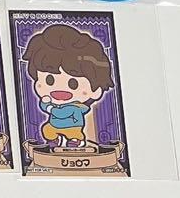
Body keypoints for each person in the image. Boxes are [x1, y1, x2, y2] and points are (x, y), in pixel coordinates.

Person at [23, 23, 114, 151]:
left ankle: (76, 141)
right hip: (53, 125)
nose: (59, 88)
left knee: (74, 135)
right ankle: (54, 140)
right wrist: (45, 103)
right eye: (49, 80)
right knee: (47, 130)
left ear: (96, 91)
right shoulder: (52, 103)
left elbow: (61, 113)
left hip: (72, 127)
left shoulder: (76, 108)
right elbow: (44, 106)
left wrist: (49, 107)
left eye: (73, 84)